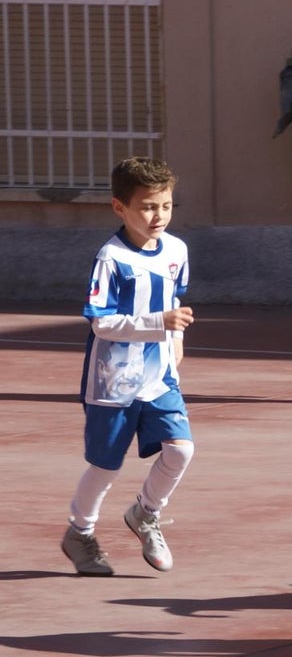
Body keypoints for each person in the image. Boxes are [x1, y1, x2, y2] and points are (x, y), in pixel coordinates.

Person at [60, 157, 195, 576]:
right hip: (114, 381)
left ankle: (146, 513)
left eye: (166, 206)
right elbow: (101, 322)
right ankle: (80, 533)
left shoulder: (177, 250)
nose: (159, 216)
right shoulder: (111, 258)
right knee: (106, 465)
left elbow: (174, 298)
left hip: (159, 377)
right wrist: (159, 324)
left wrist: (176, 340)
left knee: (181, 449)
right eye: (148, 207)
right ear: (120, 207)